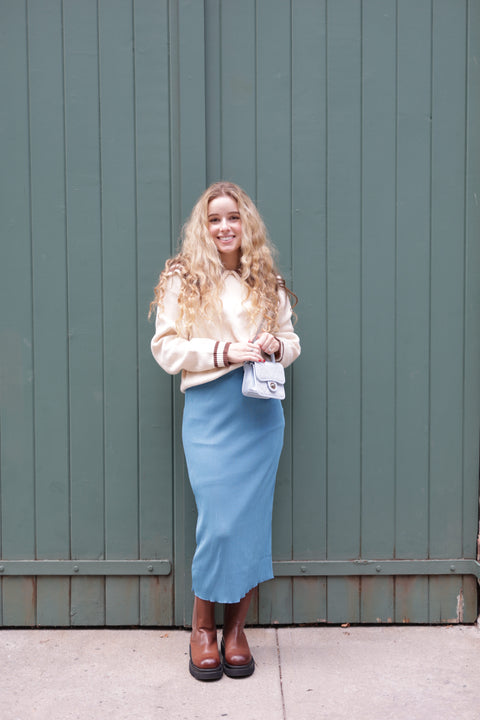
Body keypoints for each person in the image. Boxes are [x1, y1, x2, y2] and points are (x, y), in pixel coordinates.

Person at [150, 181, 301, 681]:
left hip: (260, 413)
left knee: (253, 521)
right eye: (214, 219)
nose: (224, 227)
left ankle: (236, 631)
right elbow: (166, 348)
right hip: (212, 409)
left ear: (246, 223)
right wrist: (223, 351)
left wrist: (275, 347)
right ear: (203, 226)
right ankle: (201, 629)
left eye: (232, 217)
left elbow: (291, 340)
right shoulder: (182, 277)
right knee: (218, 521)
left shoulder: (265, 277)